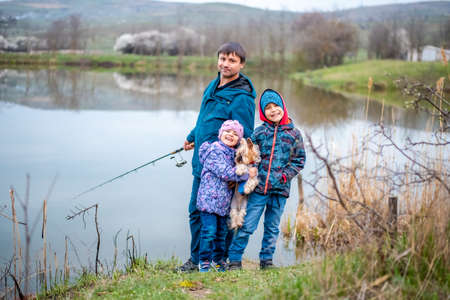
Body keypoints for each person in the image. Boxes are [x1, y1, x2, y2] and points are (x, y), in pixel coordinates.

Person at [177, 42, 256, 272]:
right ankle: (196, 259)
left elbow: (245, 135)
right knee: (196, 211)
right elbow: (204, 117)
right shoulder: (213, 85)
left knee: (222, 218)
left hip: (223, 170)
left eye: (232, 60)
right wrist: (192, 135)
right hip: (202, 164)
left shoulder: (242, 97)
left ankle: (219, 261)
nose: (225, 64)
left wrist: (238, 171)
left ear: (241, 64)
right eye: (222, 58)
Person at [227, 89, 306, 270]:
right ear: (263, 112)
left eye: (276, 106)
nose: (273, 110)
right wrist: (250, 168)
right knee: (247, 225)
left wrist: (284, 176)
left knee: (272, 227)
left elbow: (299, 161)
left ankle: (266, 261)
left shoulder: (294, 134)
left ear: (283, 107)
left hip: (280, 190)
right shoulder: (260, 132)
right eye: (268, 108)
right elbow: (247, 155)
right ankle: (234, 260)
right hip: (259, 189)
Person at [196, 120, 257, 272]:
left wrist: (250, 167)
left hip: (223, 204)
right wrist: (246, 175)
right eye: (228, 131)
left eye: (235, 134)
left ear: (239, 139)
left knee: (221, 235)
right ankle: (203, 260)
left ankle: (218, 260)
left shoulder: (234, 155)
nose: (231, 135)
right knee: (209, 232)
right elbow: (225, 173)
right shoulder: (214, 150)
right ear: (220, 133)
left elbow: (244, 163)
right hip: (208, 202)